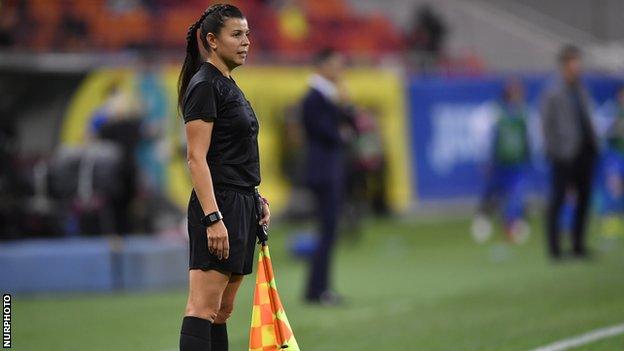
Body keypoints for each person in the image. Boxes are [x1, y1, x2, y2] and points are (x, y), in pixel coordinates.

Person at [177, 4, 270, 351]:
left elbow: (233, 154)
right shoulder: (204, 86)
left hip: (241, 203)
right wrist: (213, 218)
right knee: (202, 308)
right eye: (237, 34)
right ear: (212, 41)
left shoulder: (227, 84)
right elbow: (196, 159)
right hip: (219, 207)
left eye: (247, 34)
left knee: (222, 311)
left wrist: (256, 198)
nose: (246, 41)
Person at [301, 48, 354, 305]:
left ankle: (317, 288)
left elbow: (351, 126)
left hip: (330, 172)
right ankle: (318, 290)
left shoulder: (330, 97)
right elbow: (331, 133)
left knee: (329, 232)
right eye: (335, 64)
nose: (339, 70)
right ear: (321, 66)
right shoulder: (313, 98)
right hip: (323, 174)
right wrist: (341, 131)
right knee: (327, 231)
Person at [541, 45, 598, 259]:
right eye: (575, 62)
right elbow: (546, 125)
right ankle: (554, 249)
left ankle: (578, 245)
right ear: (565, 64)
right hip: (564, 153)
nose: (578, 66)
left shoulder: (581, 89)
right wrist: (554, 149)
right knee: (558, 198)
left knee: (584, 198)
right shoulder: (553, 92)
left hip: (585, 150)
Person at [471, 79, 531, 244]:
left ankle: (511, 226)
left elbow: (528, 139)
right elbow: (484, 136)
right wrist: (485, 158)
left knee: (515, 195)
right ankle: (483, 220)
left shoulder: (524, 113)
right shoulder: (495, 112)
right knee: (493, 194)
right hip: (499, 163)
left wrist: (528, 157)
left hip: (516, 163)